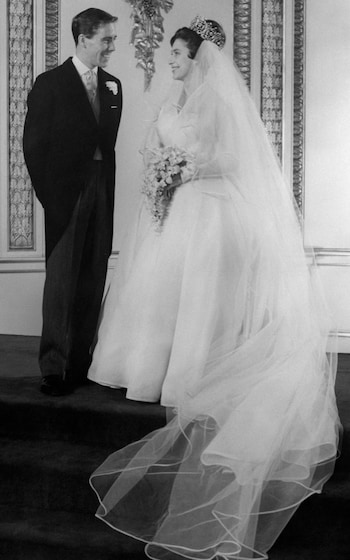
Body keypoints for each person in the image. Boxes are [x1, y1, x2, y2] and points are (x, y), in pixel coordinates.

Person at [89, 17, 341, 560]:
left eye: (178, 56)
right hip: (169, 214)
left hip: (207, 212)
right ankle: (144, 370)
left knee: (196, 296)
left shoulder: (219, 105)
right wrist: (161, 169)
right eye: (171, 57)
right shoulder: (172, 102)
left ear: (198, 58)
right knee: (157, 296)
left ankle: (191, 371)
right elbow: (153, 150)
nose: (172, 64)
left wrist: (186, 170)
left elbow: (235, 159)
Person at [23, 8, 123, 396]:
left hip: (101, 189)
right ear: (83, 40)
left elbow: (106, 146)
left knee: (92, 275)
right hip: (65, 194)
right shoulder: (50, 84)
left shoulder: (113, 85)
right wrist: (52, 197)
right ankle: (54, 366)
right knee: (62, 282)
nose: (112, 47)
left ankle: (80, 364)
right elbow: (33, 146)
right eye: (106, 39)